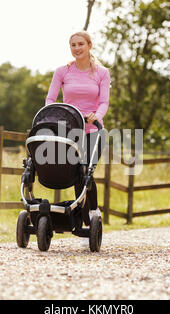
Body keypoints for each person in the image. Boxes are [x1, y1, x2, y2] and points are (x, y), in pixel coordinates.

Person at [45, 30, 110, 227]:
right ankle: (82, 218)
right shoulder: (62, 72)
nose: (77, 48)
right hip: (70, 131)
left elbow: (104, 102)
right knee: (75, 173)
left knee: (85, 171)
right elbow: (50, 99)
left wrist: (95, 117)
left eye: (81, 44)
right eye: (73, 45)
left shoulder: (102, 73)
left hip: (93, 131)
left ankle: (92, 213)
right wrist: (54, 116)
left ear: (89, 45)